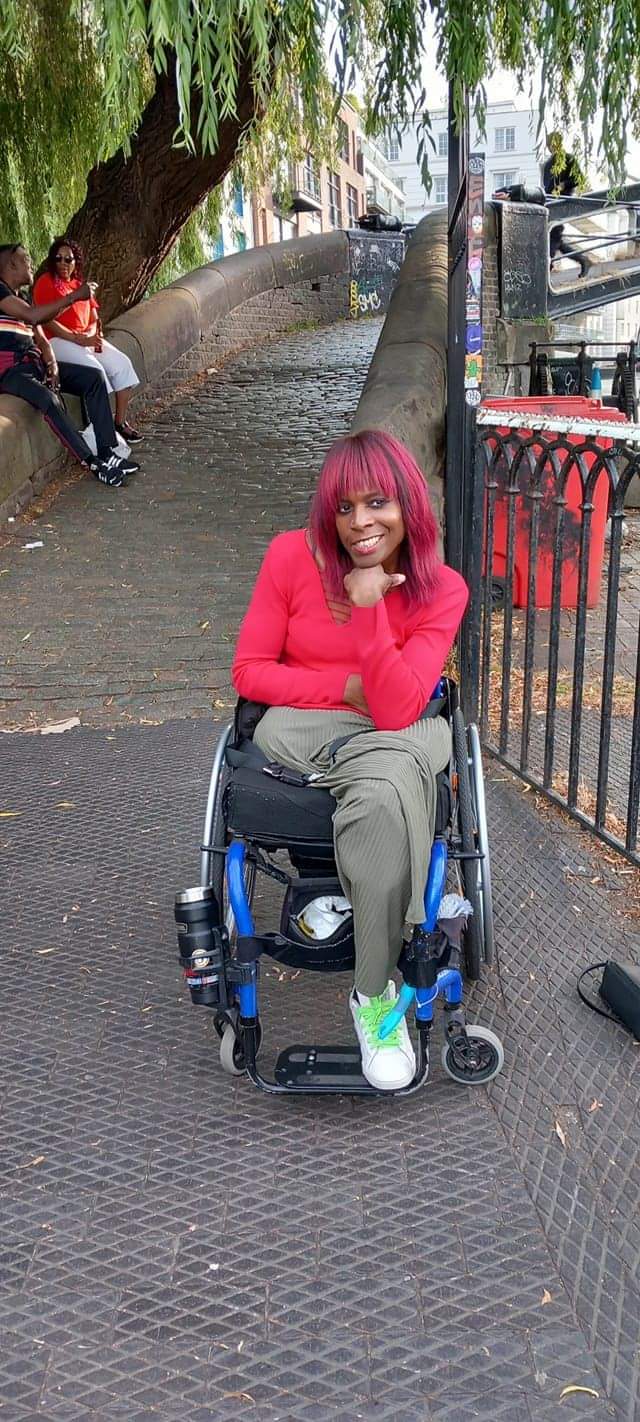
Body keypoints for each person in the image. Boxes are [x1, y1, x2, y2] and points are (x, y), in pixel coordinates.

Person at [232, 429, 468, 1090]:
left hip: (403, 728)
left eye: (377, 503)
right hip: (309, 725)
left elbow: (395, 710)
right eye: (344, 507)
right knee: (389, 775)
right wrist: (345, 688)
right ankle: (384, 956)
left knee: (385, 778)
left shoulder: (442, 590)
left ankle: (373, 995)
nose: (360, 522)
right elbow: (250, 671)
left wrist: (369, 609)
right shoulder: (289, 557)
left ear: (408, 505)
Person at [0, 243, 138, 487]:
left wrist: (52, 362)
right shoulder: (0, 293)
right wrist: (73, 297)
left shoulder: (21, 297)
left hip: (34, 364)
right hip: (10, 372)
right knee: (48, 400)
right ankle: (93, 463)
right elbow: (33, 316)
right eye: (25, 259)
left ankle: (107, 451)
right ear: (11, 265)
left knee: (93, 377)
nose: (30, 263)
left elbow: (40, 336)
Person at [33, 237, 143, 445]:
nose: (63, 263)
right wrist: (77, 338)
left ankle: (119, 422)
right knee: (96, 372)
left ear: (76, 262)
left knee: (122, 364)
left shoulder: (80, 286)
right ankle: (102, 433)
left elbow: (94, 317)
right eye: (58, 259)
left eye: (68, 259)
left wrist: (91, 337)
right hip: (58, 340)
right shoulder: (45, 282)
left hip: (86, 338)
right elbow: (46, 320)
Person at [542, 133, 594, 276]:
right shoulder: (548, 164)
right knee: (555, 239)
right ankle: (582, 260)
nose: (551, 147)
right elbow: (546, 187)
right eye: (549, 145)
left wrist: (564, 185)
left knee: (554, 236)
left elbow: (579, 179)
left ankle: (546, 268)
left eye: (552, 144)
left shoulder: (569, 159)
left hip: (562, 203)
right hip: (551, 204)